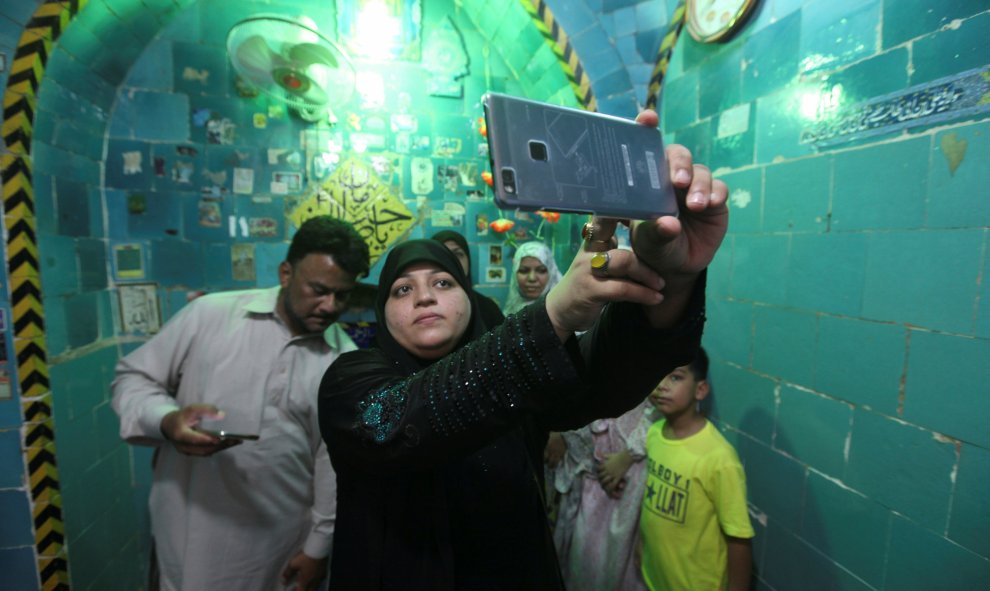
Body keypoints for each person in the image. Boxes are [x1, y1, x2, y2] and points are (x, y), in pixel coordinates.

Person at [318, 108, 727, 590]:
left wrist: (673, 275)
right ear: (382, 313)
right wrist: (553, 314)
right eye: (402, 290)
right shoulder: (350, 380)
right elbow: (402, 423)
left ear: (471, 302)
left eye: (443, 282)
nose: (425, 296)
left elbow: (602, 379)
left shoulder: (518, 374)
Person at [111, 216, 370, 591]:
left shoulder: (342, 361)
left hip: (276, 551)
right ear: (285, 273)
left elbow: (333, 464)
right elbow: (133, 379)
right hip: (187, 538)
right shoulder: (210, 316)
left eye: (342, 295)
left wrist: (318, 547)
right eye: (318, 289)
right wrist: (166, 421)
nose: (330, 306)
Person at [639, 348, 755, 591]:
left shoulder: (719, 458)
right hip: (655, 578)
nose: (661, 385)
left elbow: (739, 539)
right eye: (657, 374)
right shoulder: (654, 433)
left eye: (675, 377)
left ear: (700, 390)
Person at [552, 397, 656, 591]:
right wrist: (558, 430)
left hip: (627, 479)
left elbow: (658, 410)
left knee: (613, 565)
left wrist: (627, 457)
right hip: (582, 471)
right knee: (579, 561)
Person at [431, 229, 505, 328]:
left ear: (468, 260)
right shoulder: (425, 306)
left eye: (458, 254)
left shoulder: (487, 308)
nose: (453, 261)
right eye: (443, 254)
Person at [503, 240, 563, 315]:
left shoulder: (564, 313)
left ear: (552, 273)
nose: (532, 278)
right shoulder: (509, 314)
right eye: (524, 271)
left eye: (541, 271)